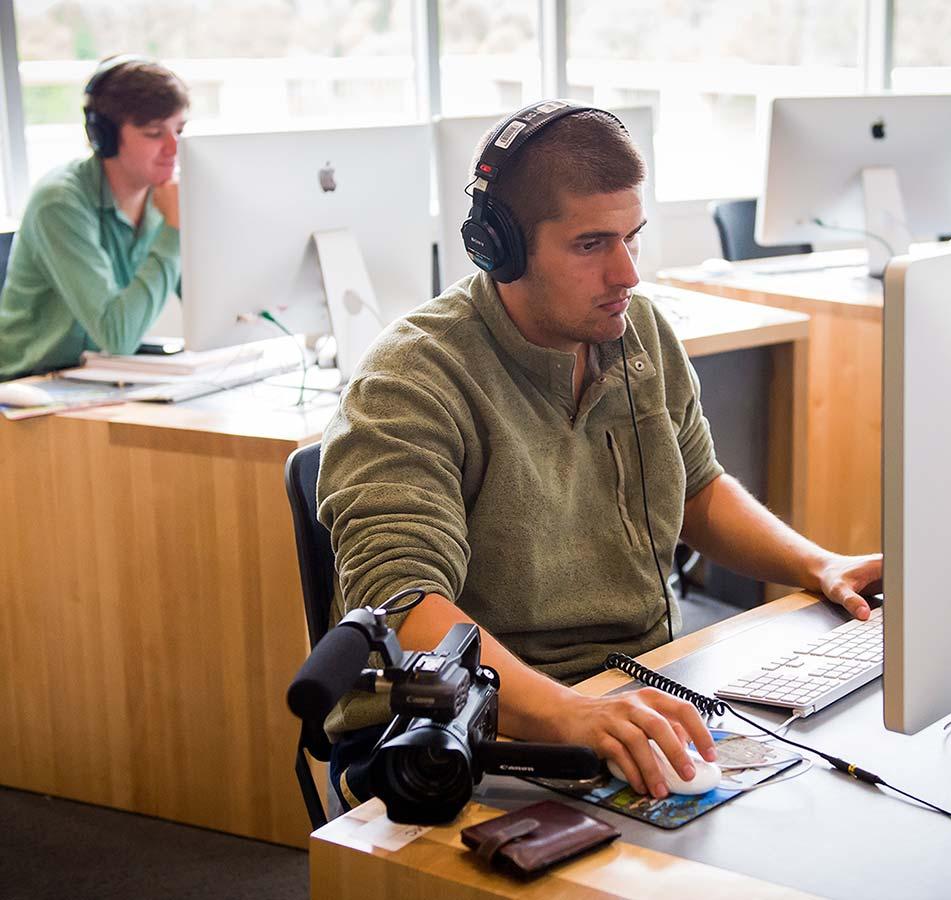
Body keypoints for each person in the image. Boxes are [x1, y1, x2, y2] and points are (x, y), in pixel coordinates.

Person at [317, 101, 882, 807]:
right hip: (456, 728)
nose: (627, 274)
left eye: (632, 239)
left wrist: (818, 564)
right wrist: (569, 713)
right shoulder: (409, 380)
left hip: (629, 688)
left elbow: (698, 489)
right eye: (591, 246)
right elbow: (406, 608)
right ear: (502, 248)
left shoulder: (636, 330)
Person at [0, 55, 188, 379]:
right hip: (30, 390)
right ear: (105, 136)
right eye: (154, 133)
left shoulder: (166, 197)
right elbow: (118, 337)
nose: (174, 148)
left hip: (102, 379)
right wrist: (174, 230)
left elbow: (216, 308)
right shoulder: (59, 203)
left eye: (180, 130)